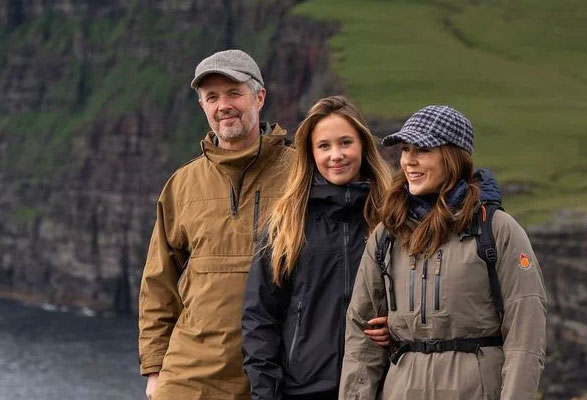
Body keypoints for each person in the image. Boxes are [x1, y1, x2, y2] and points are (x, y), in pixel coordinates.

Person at [339, 105, 547, 399]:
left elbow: (526, 334)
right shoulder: (388, 233)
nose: (408, 161)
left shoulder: (496, 229)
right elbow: (362, 337)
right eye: (405, 149)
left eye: (423, 150)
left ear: (453, 157)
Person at [138, 49, 294, 400]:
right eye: (212, 97)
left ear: (259, 97)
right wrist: (154, 368)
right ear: (202, 106)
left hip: (275, 370)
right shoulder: (182, 184)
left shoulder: (300, 173)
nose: (223, 105)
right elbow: (158, 282)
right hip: (190, 373)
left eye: (234, 93)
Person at [242, 96, 392, 400]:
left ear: (363, 145)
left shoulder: (393, 218)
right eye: (324, 146)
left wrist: (399, 326)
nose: (336, 155)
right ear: (311, 154)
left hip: (380, 385)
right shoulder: (287, 223)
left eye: (346, 142)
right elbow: (260, 319)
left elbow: (422, 301)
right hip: (304, 389)